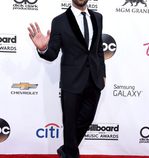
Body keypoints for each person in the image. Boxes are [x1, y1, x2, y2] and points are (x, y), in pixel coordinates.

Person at [28, 0, 106, 157]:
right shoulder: (60, 21)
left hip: (94, 81)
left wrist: (103, 74)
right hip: (71, 82)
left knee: (86, 119)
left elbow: (98, 50)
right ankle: (69, 153)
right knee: (70, 126)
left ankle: (66, 151)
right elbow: (52, 54)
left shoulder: (98, 17)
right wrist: (43, 48)